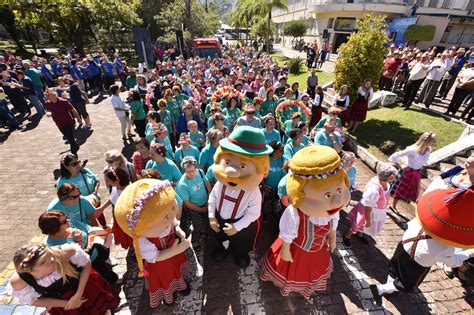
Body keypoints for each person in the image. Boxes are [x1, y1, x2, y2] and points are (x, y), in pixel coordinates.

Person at [259, 146, 351, 298]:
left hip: (318, 250)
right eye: (327, 195)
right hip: (297, 249)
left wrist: (332, 238)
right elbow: (287, 231)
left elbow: (333, 223)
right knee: (290, 270)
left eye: (340, 191)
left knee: (312, 272)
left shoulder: (331, 212)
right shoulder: (295, 212)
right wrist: (285, 249)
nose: (337, 200)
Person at [371, 188, 474, 306]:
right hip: (417, 264)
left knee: (394, 269)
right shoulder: (446, 247)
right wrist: (468, 253)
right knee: (406, 285)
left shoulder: (423, 219)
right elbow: (453, 262)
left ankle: (389, 288)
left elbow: (409, 225)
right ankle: (380, 289)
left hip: (403, 247)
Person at [114, 179, 192, 307]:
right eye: (166, 216)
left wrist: (179, 231)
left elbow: (173, 223)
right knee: (166, 279)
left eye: (172, 208)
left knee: (176, 271)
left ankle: (181, 286)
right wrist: (176, 250)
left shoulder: (168, 219)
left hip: (173, 256)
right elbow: (155, 257)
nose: (171, 215)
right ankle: (168, 298)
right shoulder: (143, 240)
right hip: (161, 266)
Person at [209, 126, 273, 267]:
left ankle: (240, 253)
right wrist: (211, 216)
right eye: (227, 162)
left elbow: (253, 213)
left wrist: (237, 226)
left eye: (243, 166)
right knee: (221, 236)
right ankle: (224, 247)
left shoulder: (253, 191)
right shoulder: (221, 183)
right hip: (220, 217)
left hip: (240, 223)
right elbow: (212, 198)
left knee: (241, 241)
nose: (232, 171)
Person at [9, 243, 120, 313]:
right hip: (61, 303)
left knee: (102, 309)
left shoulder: (68, 252)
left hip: (85, 287)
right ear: (31, 271)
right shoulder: (20, 282)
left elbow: (87, 265)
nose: (52, 259)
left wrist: (78, 295)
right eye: (43, 262)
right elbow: (34, 301)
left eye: (49, 254)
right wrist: (66, 304)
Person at [38, 211, 118, 284]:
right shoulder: (55, 247)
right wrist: (79, 241)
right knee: (104, 273)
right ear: (54, 229)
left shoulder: (70, 225)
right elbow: (81, 260)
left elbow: (87, 228)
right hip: (91, 263)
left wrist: (97, 235)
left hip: (98, 249)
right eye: (64, 221)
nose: (68, 221)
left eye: (66, 218)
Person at [343, 164, 397, 246]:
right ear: (390, 177)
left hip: (374, 211)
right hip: (367, 211)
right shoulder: (374, 190)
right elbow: (367, 207)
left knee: (362, 226)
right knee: (358, 223)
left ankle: (359, 233)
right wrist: (368, 220)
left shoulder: (384, 183)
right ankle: (347, 235)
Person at [389, 132, 436, 210]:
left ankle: (393, 206)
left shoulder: (428, 149)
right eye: (433, 140)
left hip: (416, 174)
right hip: (407, 173)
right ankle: (392, 206)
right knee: (398, 190)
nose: (435, 142)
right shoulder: (412, 149)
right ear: (427, 141)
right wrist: (400, 167)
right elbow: (395, 156)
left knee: (407, 191)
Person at [176, 157, 212, 251]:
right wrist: (201, 209)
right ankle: (194, 241)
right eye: (188, 172)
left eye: (193, 170)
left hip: (205, 203)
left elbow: (207, 184)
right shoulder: (182, 184)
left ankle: (203, 233)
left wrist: (209, 198)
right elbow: (187, 204)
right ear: (184, 170)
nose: (191, 173)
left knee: (205, 221)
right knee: (197, 226)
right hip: (194, 208)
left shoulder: (200, 172)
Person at [95, 167, 134, 249]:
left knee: (131, 237)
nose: (107, 183)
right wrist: (102, 208)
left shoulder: (130, 190)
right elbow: (113, 197)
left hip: (129, 220)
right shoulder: (115, 187)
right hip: (119, 217)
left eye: (108, 180)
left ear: (116, 181)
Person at [44, 88, 81, 155]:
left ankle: (73, 153)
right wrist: (48, 113)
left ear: (53, 95)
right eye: (46, 96)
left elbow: (73, 110)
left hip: (68, 122)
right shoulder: (47, 103)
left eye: (48, 95)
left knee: (70, 138)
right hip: (59, 124)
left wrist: (78, 118)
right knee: (68, 137)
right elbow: (48, 110)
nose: (46, 97)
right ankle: (76, 146)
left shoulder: (64, 101)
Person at [261, 141, 284, 221]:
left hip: (277, 188)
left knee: (275, 205)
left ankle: (274, 215)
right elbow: (261, 175)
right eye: (281, 150)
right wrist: (264, 186)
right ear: (275, 151)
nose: (283, 152)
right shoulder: (266, 159)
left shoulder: (282, 159)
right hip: (266, 187)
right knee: (264, 205)